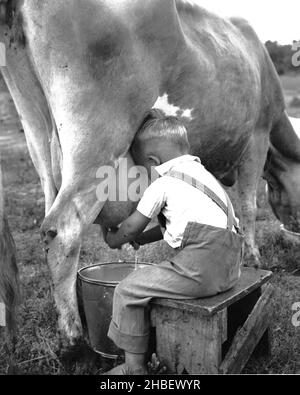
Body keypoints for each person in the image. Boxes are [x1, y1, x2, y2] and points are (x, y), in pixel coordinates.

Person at [103, 110, 244, 375]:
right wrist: (141, 240)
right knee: (152, 279)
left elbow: (132, 225)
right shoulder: (202, 176)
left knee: (128, 289)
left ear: (152, 161)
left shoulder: (164, 182)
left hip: (202, 272)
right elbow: (180, 224)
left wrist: (114, 238)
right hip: (231, 268)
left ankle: (134, 368)